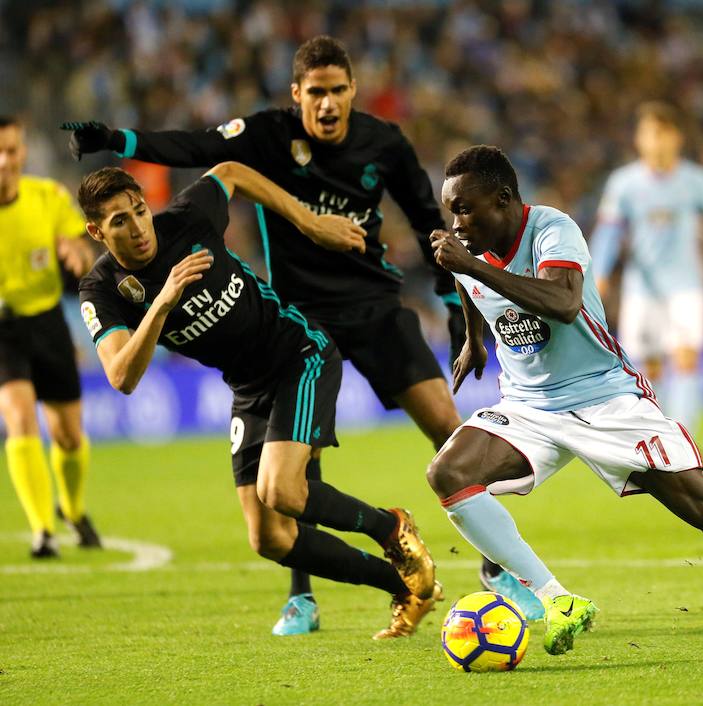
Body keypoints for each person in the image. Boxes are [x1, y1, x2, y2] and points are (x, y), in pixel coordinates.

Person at [62, 34, 541, 628]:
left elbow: (424, 216)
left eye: (338, 90)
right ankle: (328, 591)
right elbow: (203, 148)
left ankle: (502, 567)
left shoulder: (380, 142)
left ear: (353, 92)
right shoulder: (267, 137)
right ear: (298, 95)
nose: (327, 103)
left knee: (440, 428)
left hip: (353, 315)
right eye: (316, 92)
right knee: (278, 509)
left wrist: (449, 297)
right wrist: (117, 140)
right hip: (286, 330)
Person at [427, 144, 703, 656]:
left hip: (607, 401)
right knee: (447, 474)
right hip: (529, 407)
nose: (455, 223)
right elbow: (468, 284)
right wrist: (475, 340)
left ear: (502, 200)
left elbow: (563, 304)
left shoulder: (552, 229)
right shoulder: (468, 249)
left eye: (464, 209)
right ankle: (557, 599)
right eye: (450, 210)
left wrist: (471, 270)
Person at [76, 161, 441, 639]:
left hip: (299, 354)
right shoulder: (101, 290)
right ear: (96, 231)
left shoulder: (188, 218)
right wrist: (162, 302)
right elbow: (121, 375)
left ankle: (390, 528)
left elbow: (230, 172)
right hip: (248, 387)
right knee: (268, 537)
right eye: (120, 221)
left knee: (283, 491)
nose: (138, 227)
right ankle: (402, 586)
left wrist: (309, 222)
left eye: (140, 210)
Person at [589, 101, 703, 433]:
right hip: (642, 289)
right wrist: (598, 274)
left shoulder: (696, 179)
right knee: (648, 365)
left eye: (662, 133)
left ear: (676, 137)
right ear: (638, 139)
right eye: (649, 133)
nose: (656, 141)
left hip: (686, 285)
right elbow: (607, 232)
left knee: (686, 356)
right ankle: (658, 435)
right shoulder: (624, 183)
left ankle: (684, 438)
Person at [0, 115, 101, 558]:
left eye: (12, 150)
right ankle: (43, 531)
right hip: (3, 329)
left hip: (47, 323)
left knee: (68, 437)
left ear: (23, 152)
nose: (4, 160)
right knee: (19, 418)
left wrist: (76, 252)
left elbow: (81, 244)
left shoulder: (48, 197)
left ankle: (73, 510)